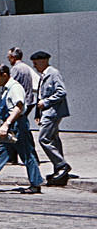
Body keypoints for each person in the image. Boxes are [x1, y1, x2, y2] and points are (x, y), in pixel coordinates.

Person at [0, 65, 44, 193]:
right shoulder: (7, 88)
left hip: (18, 126)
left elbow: (18, 107)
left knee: (27, 154)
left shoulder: (15, 88)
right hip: (9, 124)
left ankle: (35, 184)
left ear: (5, 75)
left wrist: (6, 124)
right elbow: (9, 108)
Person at [31, 50, 71, 186]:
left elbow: (61, 92)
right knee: (54, 138)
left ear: (43, 61)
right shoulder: (44, 75)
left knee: (44, 139)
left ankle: (62, 165)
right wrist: (38, 113)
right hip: (47, 112)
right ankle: (59, 170)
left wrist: (46, 102)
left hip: (53, 112)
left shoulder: (53, 73)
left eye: (36, 63)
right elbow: (39, 96)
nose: (35, 66)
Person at [5, 47, 38, 164]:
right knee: (20, 128)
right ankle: (18, 156)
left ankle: (14, 157)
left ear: (13, 57)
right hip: (28, 101)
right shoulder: (25, 68)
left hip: (19, 103)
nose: (8, 59)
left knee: (15, 129)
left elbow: (10, 85)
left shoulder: (15, 69)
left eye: (9, 57)